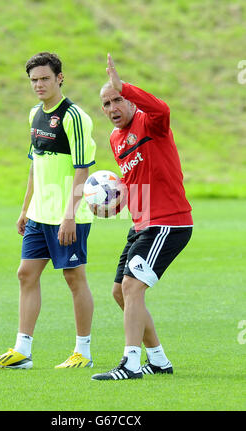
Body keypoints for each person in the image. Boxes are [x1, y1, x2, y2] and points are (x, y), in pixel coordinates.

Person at [0, 52, 96, 369]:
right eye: (34, 80)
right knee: (26, 274)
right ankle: (22, 351)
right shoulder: (34, 113)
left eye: (45, 78)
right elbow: (35, 166)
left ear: (60, 78)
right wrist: (25, 210)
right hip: (38, 214)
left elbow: (81, 169)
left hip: (68, 215)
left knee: (74, 279)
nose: (39, 85)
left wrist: (69, 215)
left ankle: (83, 353)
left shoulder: (75, 117)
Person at [91, 54, 193, 381]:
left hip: (168, 223)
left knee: (133, 286)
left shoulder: (150, 123)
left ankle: (130, 363)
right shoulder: (115, 139)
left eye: (117, 99)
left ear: (130, 101)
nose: (112, 107)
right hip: (141, 225)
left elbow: (162, 109)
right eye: (106, 103)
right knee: (120, 291)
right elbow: (134, 181)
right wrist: (114, 200)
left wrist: (127, 87)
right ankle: (159, 360)